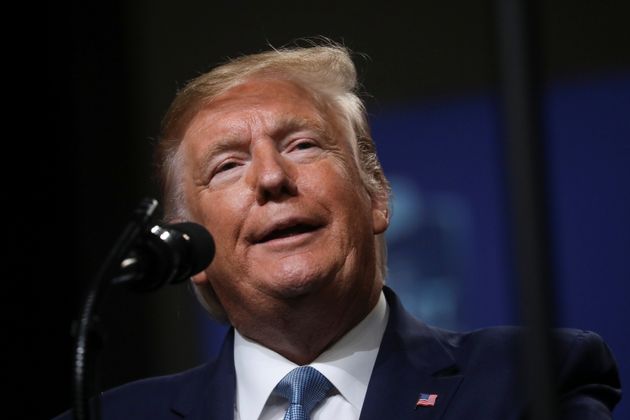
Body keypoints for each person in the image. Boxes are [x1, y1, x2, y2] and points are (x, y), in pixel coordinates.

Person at [54, 40, 621, 419]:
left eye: (302, 145)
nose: (272, 176)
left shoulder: (529, 382)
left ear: (376, 193)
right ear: (189, 250)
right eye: (228, 165)